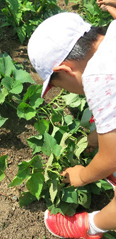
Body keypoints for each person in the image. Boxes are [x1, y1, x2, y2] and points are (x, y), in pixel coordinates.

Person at [28, 12, 116, 239]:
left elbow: (110, 159)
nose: (67, 91)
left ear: (65, 71)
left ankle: (89, 227)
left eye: (61, 87)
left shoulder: (98, 75)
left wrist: (83, 175)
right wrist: (101, 134)